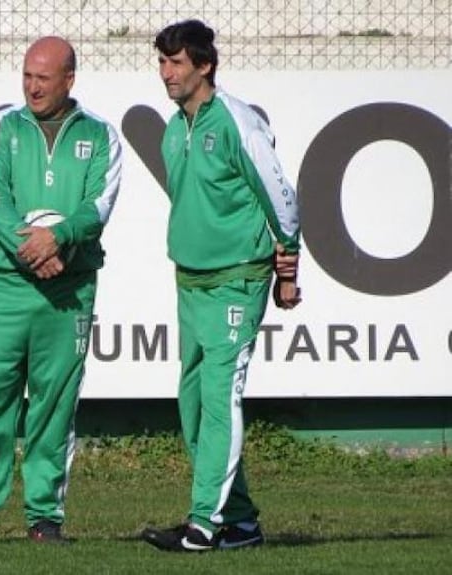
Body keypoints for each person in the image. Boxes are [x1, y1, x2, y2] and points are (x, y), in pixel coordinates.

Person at [0, 36, 122, 545]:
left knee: (53, 407)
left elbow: (97, 207)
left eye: (44, 78)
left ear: (69, 79)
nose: (33, 87)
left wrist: (58, 238)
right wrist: (35, 249)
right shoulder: (3, 126)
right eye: (27, 76)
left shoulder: (102, 135)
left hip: (68, 291)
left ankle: (44, 519)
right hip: (6, 287)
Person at [141, 19, 301, 552]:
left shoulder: (238, 122)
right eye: (162, 62)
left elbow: (282, 198)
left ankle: (203, 526)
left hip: (238, 278)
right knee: (192, 405)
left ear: (204, 65)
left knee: (219, 399)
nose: (167, 73)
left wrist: (287, 270)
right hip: (190, 280)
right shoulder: (171, 128)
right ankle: (242, 524)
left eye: (177, 63)